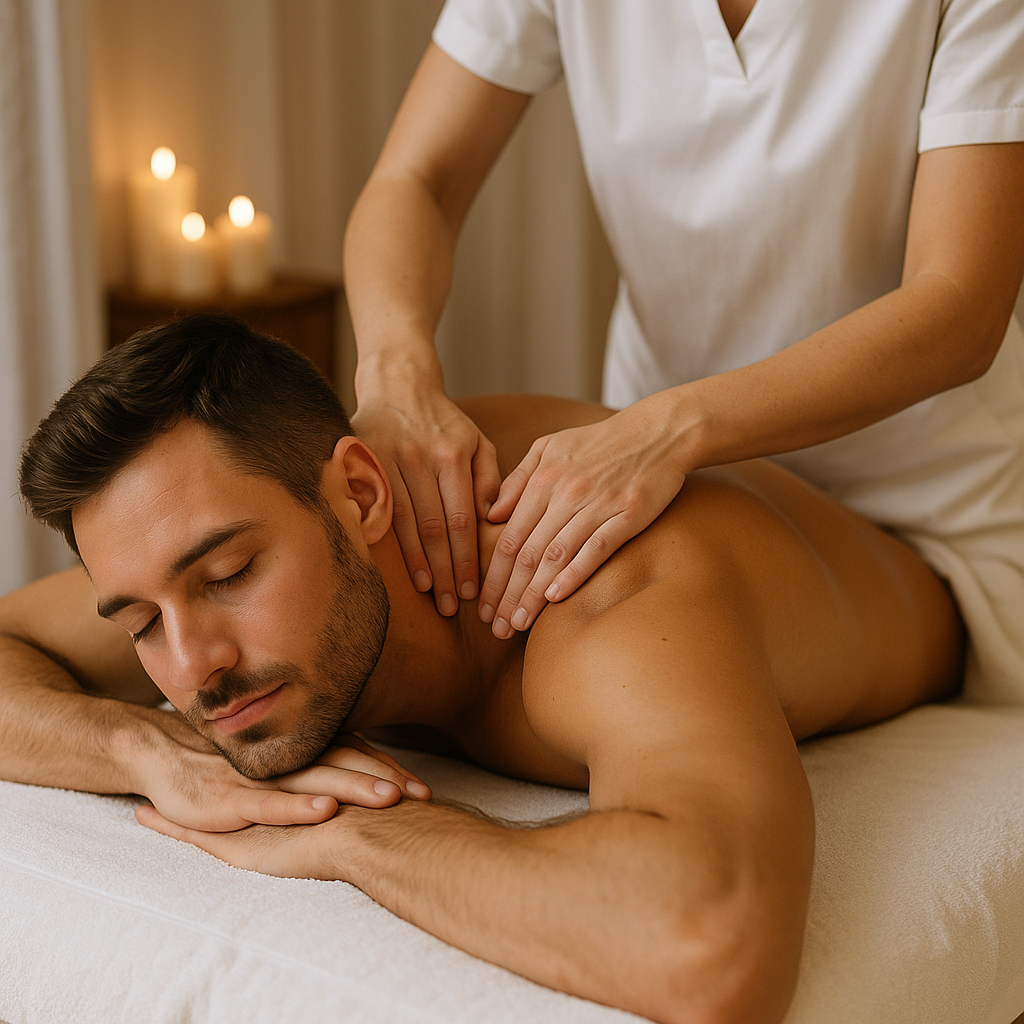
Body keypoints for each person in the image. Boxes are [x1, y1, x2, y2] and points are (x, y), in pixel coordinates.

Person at [0, 315, 963, 1024]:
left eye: (229, 576)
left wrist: (353, 832)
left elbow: (710, 945)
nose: (193, 668)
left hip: (969, 572)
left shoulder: (603, 606)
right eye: (140, 623)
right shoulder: (204, 562)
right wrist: (147, 750)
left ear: (361, 495)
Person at [343, 0, 1024, 707]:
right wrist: (395, 374)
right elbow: (417, 179)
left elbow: (961, 307)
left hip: (924, 506)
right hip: (672, 474)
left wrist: (668, 429)